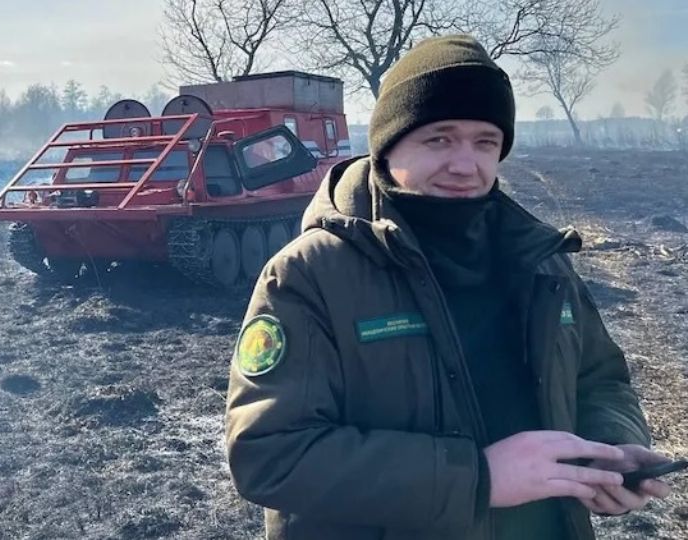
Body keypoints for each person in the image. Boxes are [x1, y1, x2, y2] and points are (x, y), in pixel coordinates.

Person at [223, 34, 674, 539]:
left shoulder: (540, 263)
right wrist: (478, 478)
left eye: (486, 142)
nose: (465, 164)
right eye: (439, 138)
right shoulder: (312, 274)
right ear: (388, 146)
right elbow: (270, 453)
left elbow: (601, 379)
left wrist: (609, 449)